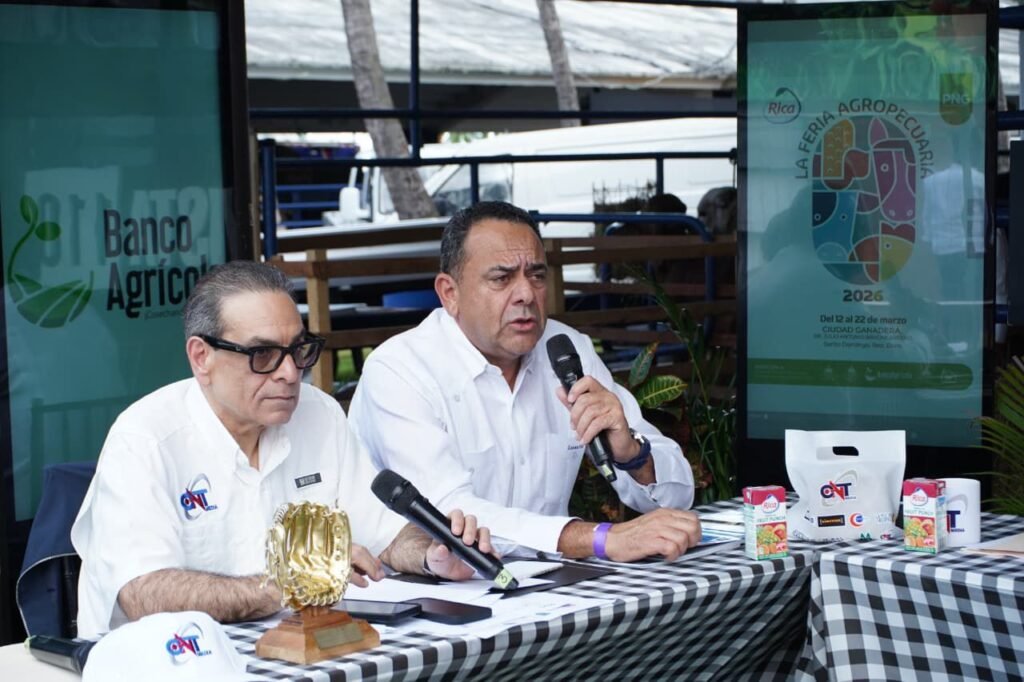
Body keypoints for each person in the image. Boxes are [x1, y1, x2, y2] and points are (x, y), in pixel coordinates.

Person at [71, 261, 492, 638]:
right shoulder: (146, 439)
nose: (290, 373)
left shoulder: (319, 414)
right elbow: (143, 593)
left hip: (298, 650)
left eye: (297, 350)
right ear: (202, 357)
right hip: (172, 662)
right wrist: (287, 585)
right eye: (263, 354)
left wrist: (433, 554)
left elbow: (382, 533)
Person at [349, 201, 701, 563]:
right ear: (450, 294)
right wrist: (599, 539)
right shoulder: (400, 370)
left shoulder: (566, 349)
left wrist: (631, 453)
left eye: (536, 275)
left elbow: (678, 497)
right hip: (435, 587)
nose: (526, 294)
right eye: (501, 279)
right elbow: (449, 517)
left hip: (551, 581)